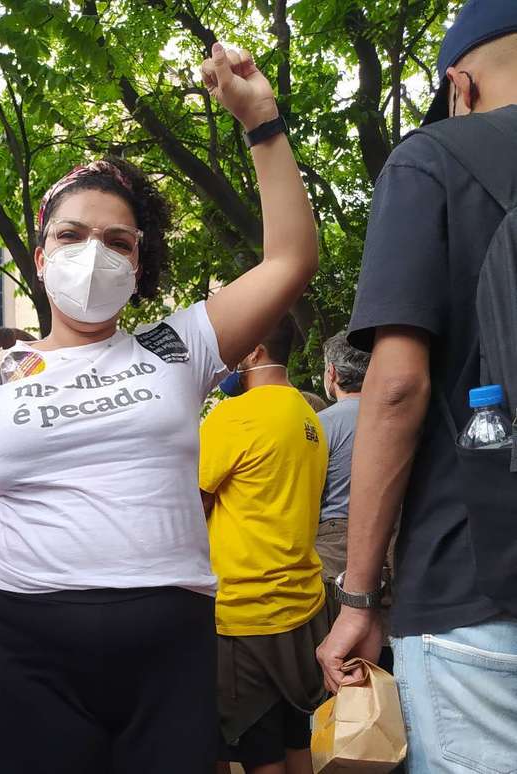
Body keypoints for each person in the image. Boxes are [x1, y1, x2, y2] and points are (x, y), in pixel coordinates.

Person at [0, 42, 318, 774]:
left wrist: (261, 121)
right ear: (40, 255)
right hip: (28, 651)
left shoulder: (179, 343)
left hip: (172, 654)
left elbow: (288, 260)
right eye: (70, 235)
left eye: (116, 241)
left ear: (138, 262)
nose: (91, 253)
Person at [316, 3, 517, 772]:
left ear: (459, 83)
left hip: (475, 591)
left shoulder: (432, 159)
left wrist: (360, 598)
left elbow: (396, 387)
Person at [200, 316, 329, 774]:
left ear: (254, 350)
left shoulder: (232, 416)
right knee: (298, 743)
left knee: (261, 754)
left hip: (246, 612)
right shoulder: (308, 414)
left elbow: (190, 507)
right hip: (305, 608)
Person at [316, 332, 370, 593]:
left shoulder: (321, 423)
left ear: (332, 373)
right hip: (396, 533)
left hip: (336, 541)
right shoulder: (401, 417)